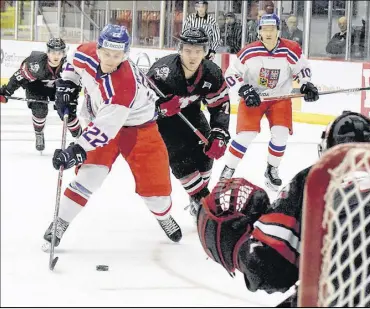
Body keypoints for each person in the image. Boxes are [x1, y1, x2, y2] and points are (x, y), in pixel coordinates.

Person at [197, 111, 370, 305]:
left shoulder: (316, 178)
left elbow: (270, 267)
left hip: (350, 293)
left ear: (326, 152)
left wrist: (238, 248)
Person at [42, 24, 182, 248]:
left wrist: (76, 151)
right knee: (89, 176)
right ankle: (60, 222)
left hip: (140, 129)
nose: (110, 59)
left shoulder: (124, 85)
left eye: (117, 55)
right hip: (103, 120)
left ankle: (163, 216)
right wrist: (67, 84)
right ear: (97, 49)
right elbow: (72, 67)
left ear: (126, 55)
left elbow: (104, 131)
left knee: (156, 192)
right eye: (106, 53)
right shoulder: (84, 52)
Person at [221, 13, 319, 191]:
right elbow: (230, 74)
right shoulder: (249, 51)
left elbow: (303, 69)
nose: (268, 33)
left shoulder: (290, 49)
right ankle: (228, 169)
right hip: (253, 98)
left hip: (278, 98)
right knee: (245, 135)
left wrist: (306, 85)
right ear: (259, 31)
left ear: (278, 31)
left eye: (271, 29)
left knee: (281, 134)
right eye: (264, 29)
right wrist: (244, 89)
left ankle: (272, 169)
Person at [146, 27, 230, 219]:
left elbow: (220, 106)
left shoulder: (212, 73)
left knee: (206, 152)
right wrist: (159, 109)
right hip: (164, 122)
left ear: (205, 52)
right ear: (180, 49)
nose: (193, 56)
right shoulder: (162, 71)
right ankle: (201, 199)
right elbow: (139, 106)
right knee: (180, 156)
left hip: (191, 114)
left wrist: (219, 133)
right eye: (188, 51)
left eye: (198, 51)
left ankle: (197, 197)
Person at [0, 38, 82, 152]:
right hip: (36, 87)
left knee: (66, 110)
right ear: (47, 52)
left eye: (59, 52)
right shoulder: (36, 64)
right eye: (53, 52)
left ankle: (81, 138)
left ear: (64, 53)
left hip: (57, 87)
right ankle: (39, 133)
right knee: (39, 110)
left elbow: (76, 81)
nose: (56, 56)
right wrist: (6, 92)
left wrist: (73, 95)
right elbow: (19, 77)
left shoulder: (68, 65)